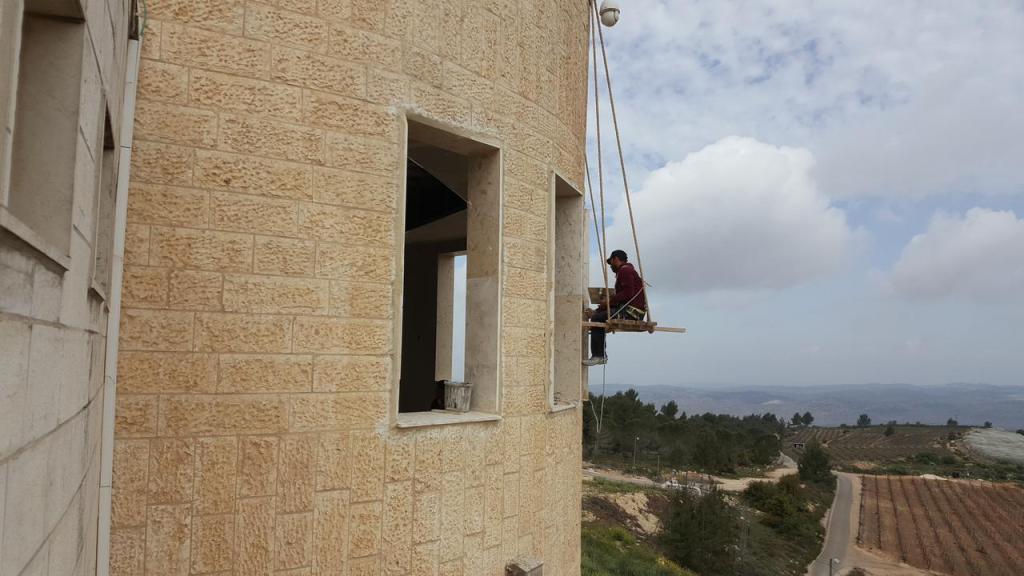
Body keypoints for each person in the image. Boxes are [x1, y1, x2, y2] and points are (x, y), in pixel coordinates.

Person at [584, 249, 646, 366]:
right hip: (629, 310)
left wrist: (608, 301)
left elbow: (628, 293)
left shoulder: (625, 271)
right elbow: (621, 299)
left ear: (615, 259)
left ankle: (599, 355)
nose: (610, 266)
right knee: (598, 316)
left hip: (631, 312)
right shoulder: (627, 271)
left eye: (611, 262)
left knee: (597, 319)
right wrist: (598, 310)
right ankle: (600, 354)